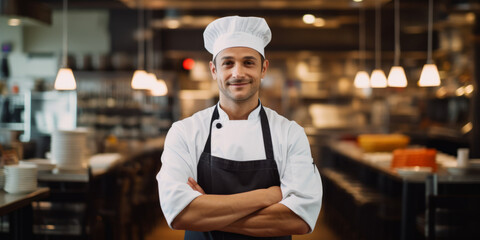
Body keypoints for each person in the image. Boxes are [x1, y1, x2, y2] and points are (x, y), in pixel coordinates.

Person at [157, 16, 323, 239]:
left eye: (248, 62)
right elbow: (179, 214)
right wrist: (268, 196)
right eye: (227, 63)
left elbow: (299, 219)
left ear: (263, 68)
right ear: (214, 70)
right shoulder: (185, 132)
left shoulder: (289, 133)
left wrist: (206, 214)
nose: (238, 73)